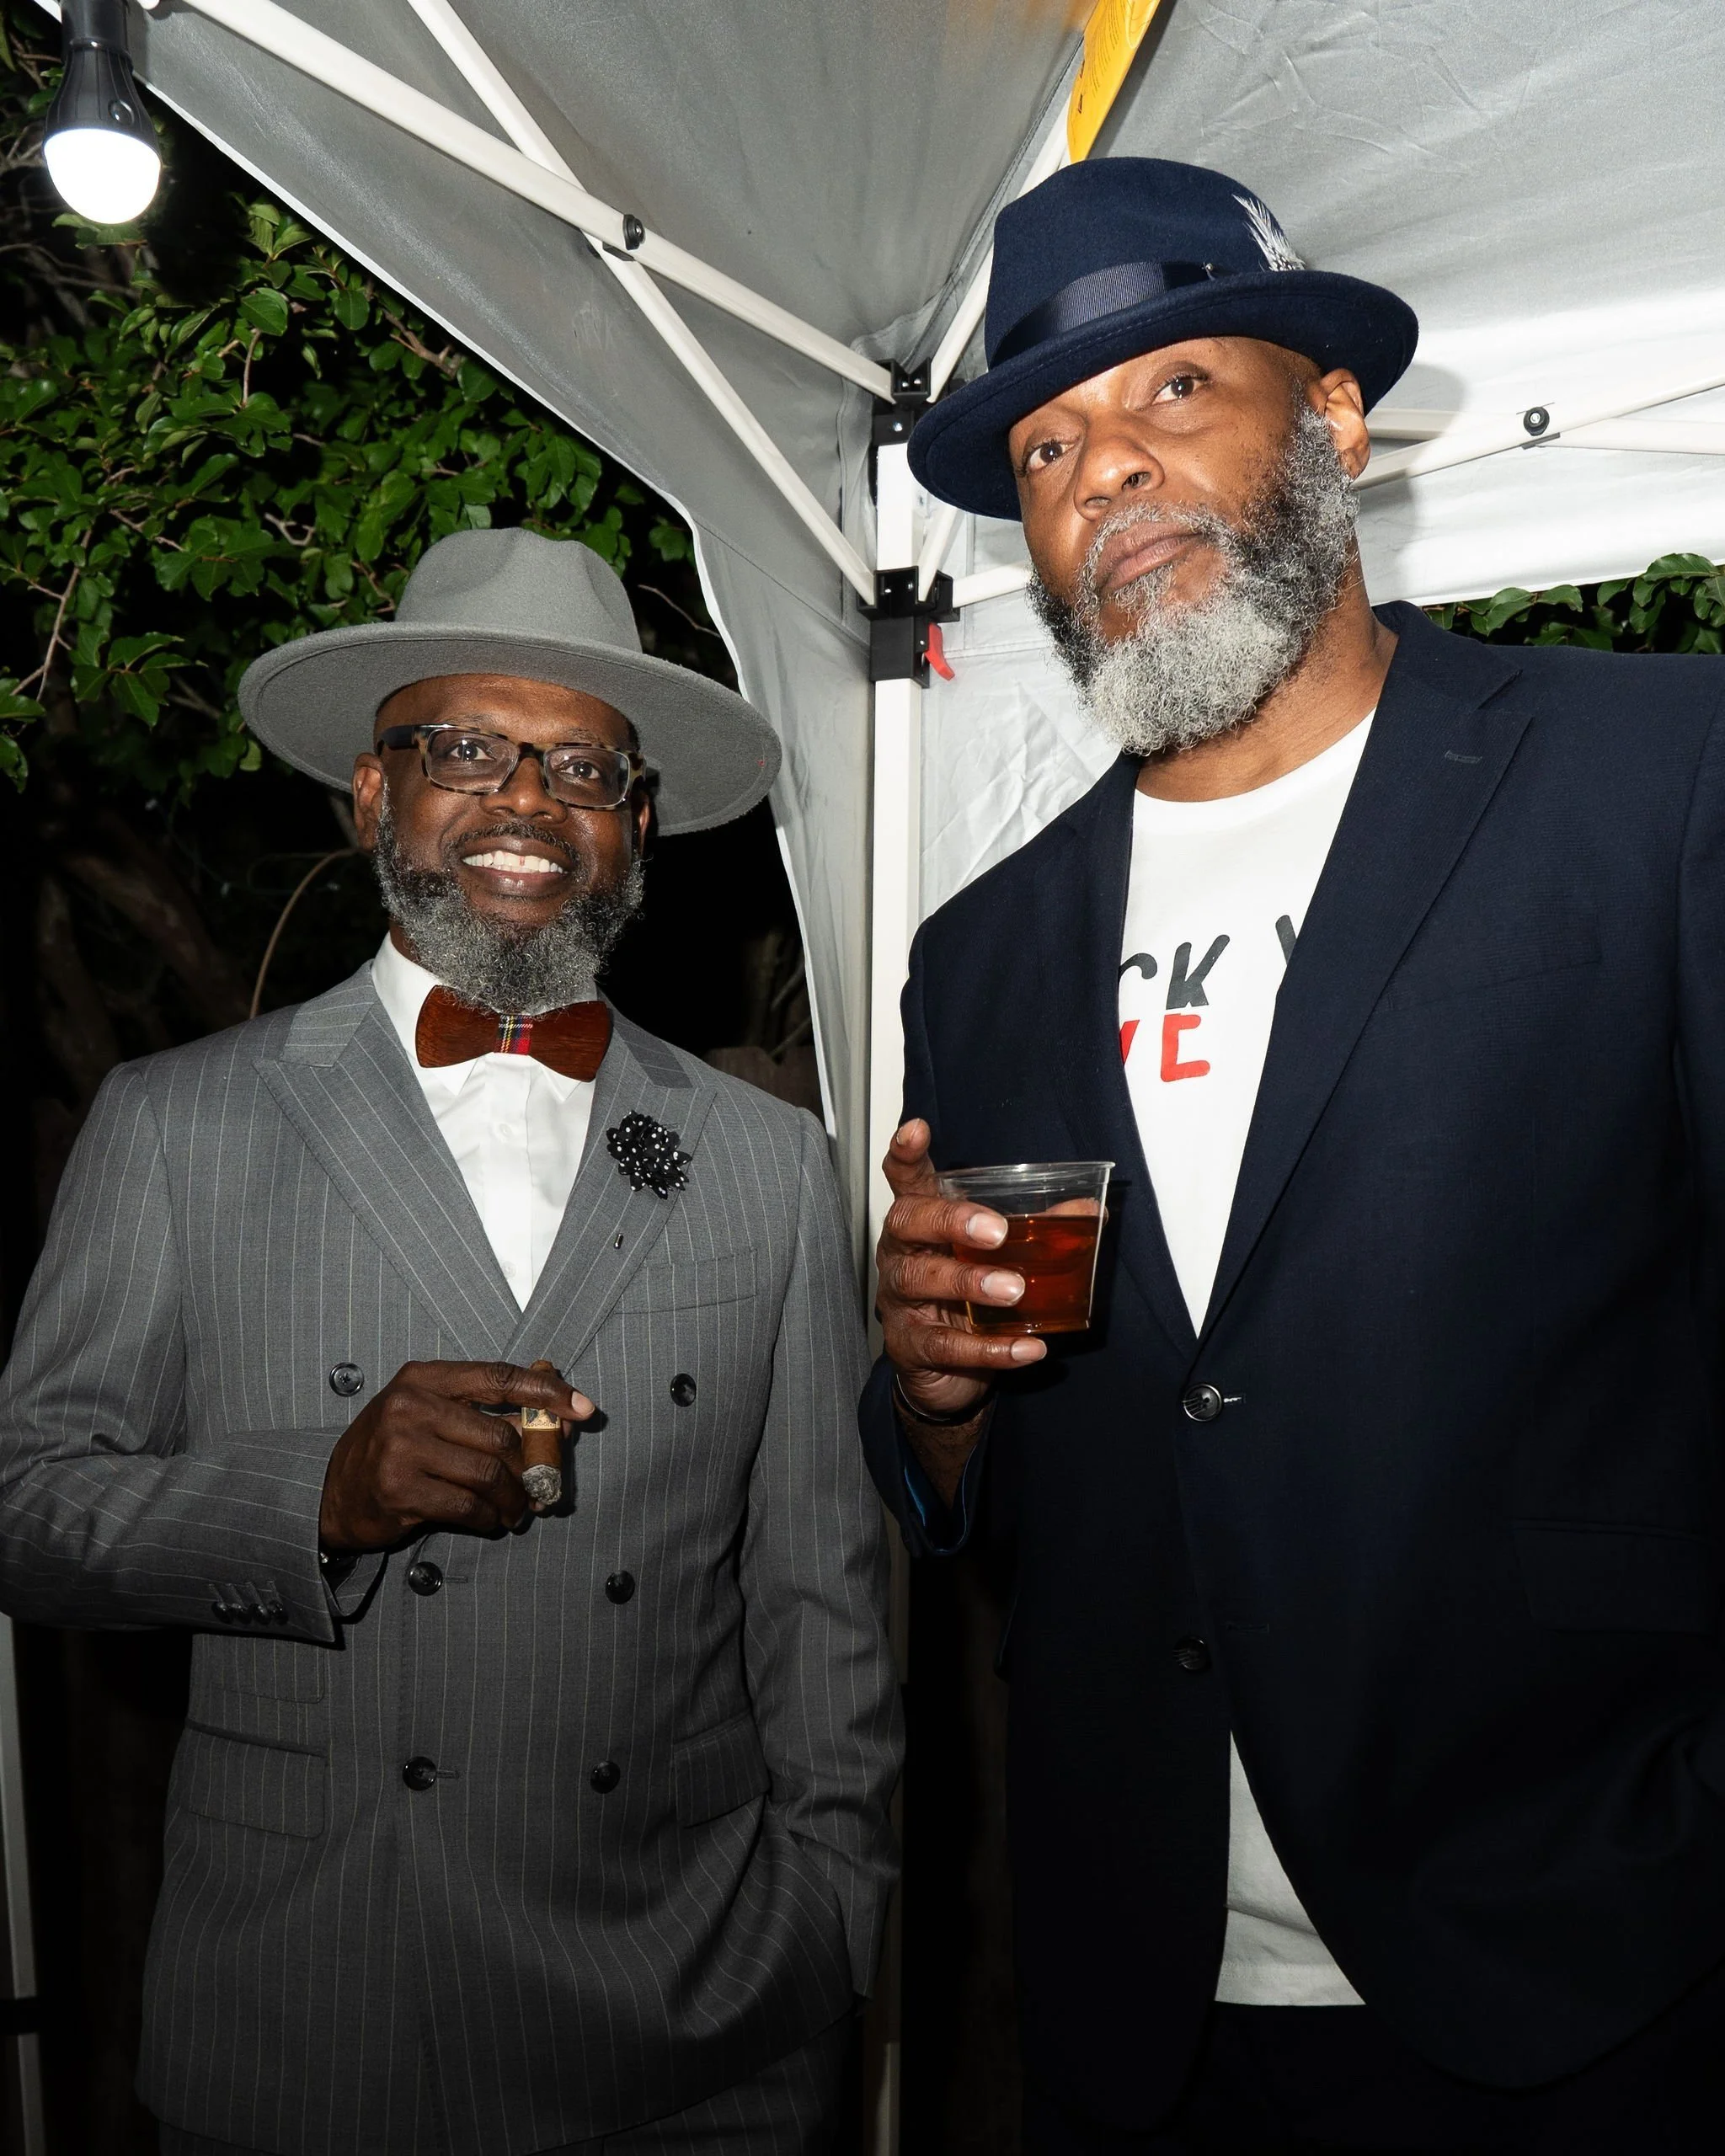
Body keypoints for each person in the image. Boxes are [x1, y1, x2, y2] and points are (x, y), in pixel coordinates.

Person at [862, 157, 1725, 2153]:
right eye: (1055, 441)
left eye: (1174, 393)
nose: (1107, 471)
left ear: (1330, 418)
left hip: (1589, 1959)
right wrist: (928, 1399)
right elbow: (980, 1466)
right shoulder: (978, 952)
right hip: (1143, 1996)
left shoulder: (1653, 778)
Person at [0, 526, 900, 2156]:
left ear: (635, 832)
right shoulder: (177, 1125)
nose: (525, 804)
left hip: (705, 2030)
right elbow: (30, 1509)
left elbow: (821, 1596)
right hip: (326, 2015)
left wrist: (834, 1915)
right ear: (372, 799)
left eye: (580, 769)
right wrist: (315, 1500)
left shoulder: (769, 1161)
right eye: (465, 752)